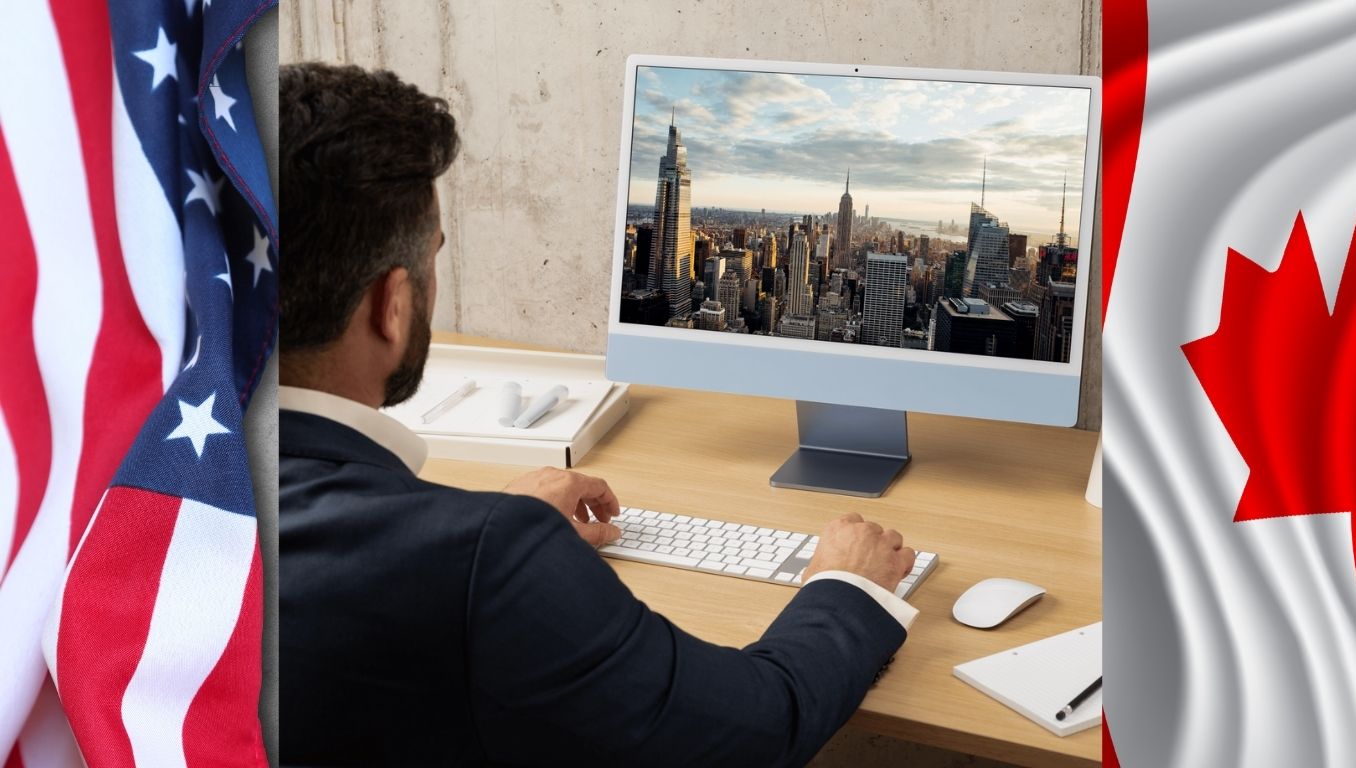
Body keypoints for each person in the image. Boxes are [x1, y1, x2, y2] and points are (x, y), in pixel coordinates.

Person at [279, 62, 922, 767]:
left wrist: (469, 533)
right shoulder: (489, 562)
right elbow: (752, 730)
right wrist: (847, 586)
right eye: (434, 260)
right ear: (391, 306)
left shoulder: (150, 486)